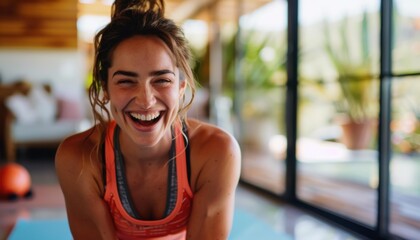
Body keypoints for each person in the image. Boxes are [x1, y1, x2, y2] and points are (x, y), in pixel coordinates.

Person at [55, 0, 241, 239]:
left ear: (181, 87)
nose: (145, 100)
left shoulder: (216, 152)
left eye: (161, 80)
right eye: (126, 80)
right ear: (106, 88)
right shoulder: (79, 159)